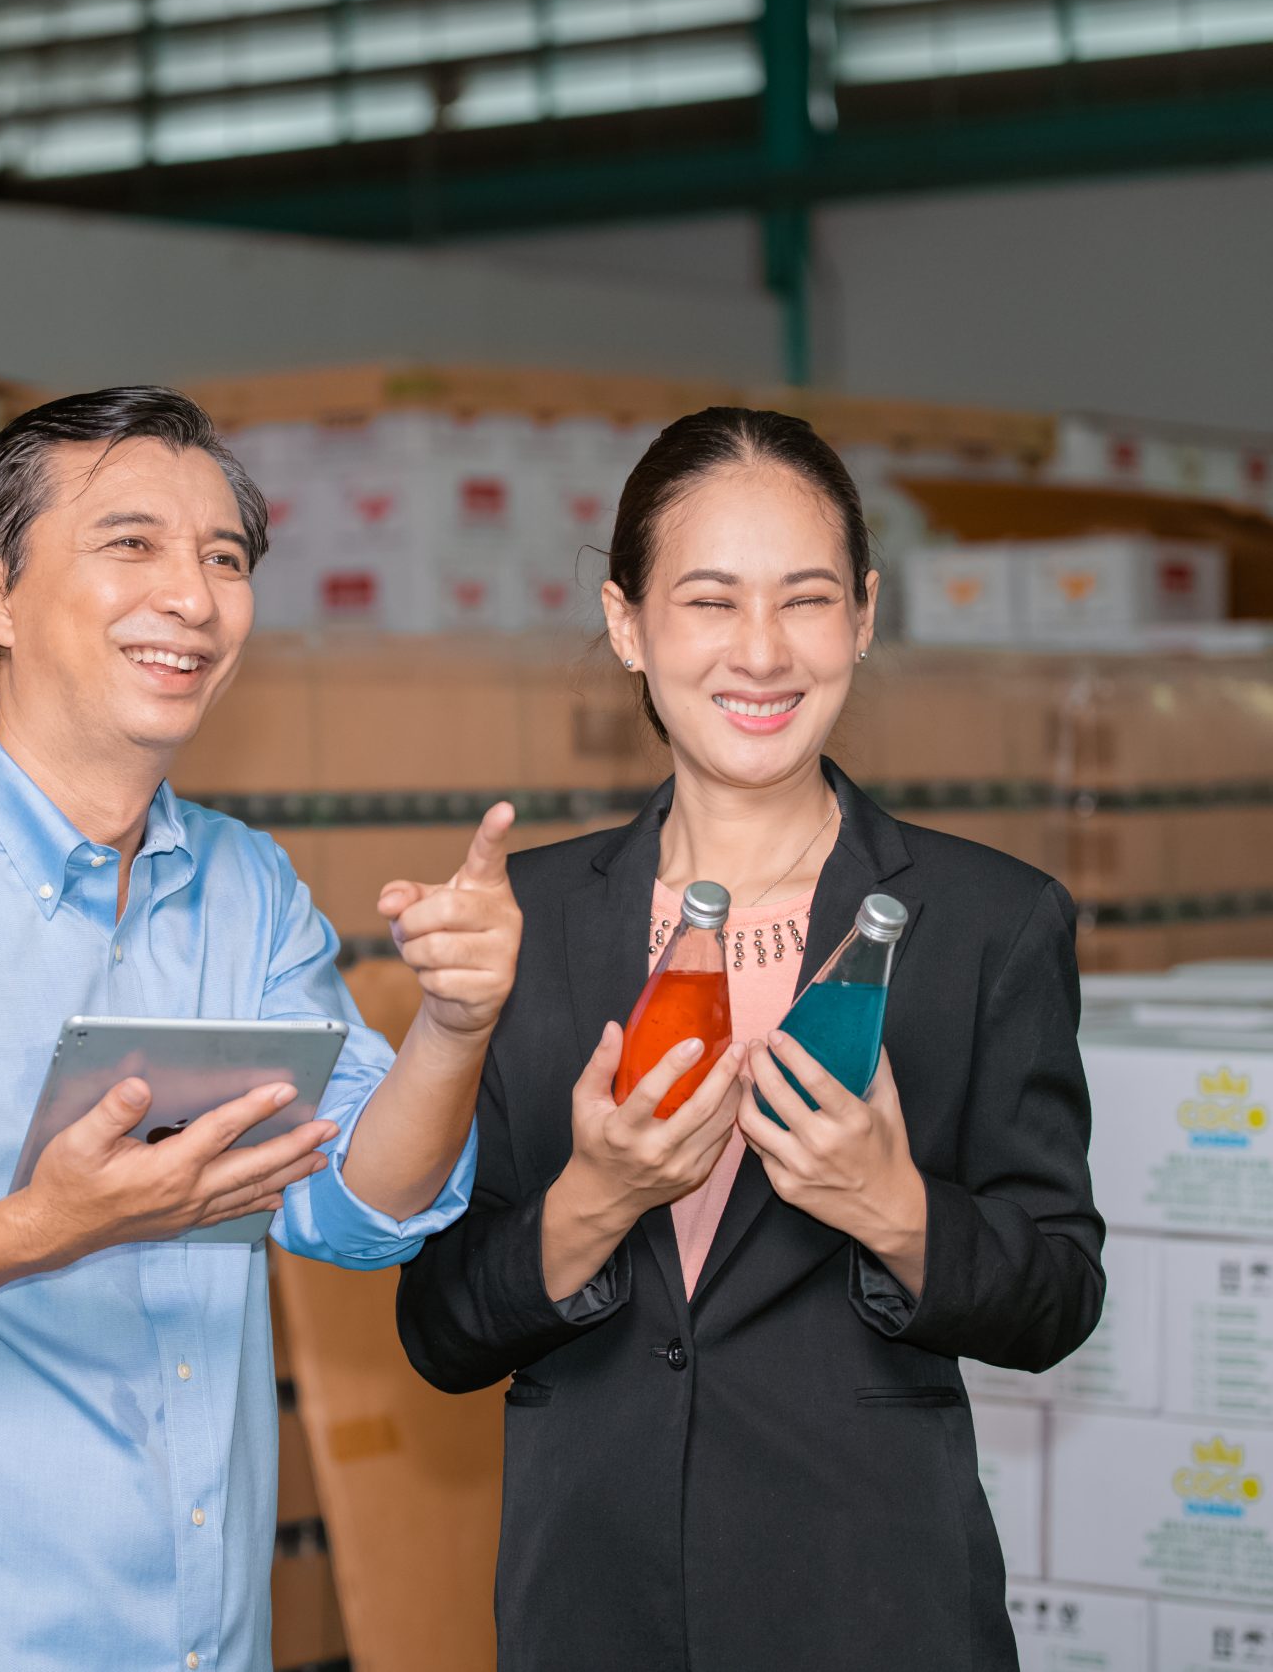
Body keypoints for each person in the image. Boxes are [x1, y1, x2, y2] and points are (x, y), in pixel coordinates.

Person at [0, 387, 521, 1670]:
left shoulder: (245, 889)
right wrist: (34, 1230)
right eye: (132, 546)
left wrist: (454, 1026)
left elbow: (354, 1207)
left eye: (224, 558)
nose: (193, 595)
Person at [395, 406, 1105, 1672]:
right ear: (628, 624)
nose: (763, 653)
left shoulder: (988, 921)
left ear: (865, 616)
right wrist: (593, 1201)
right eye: (710, 600)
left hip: (873, 1602)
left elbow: (1057, 1290)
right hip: (589, 1606)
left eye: (808, 599)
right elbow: (440, 1327)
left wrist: (893, 1204)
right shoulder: (530, 922)